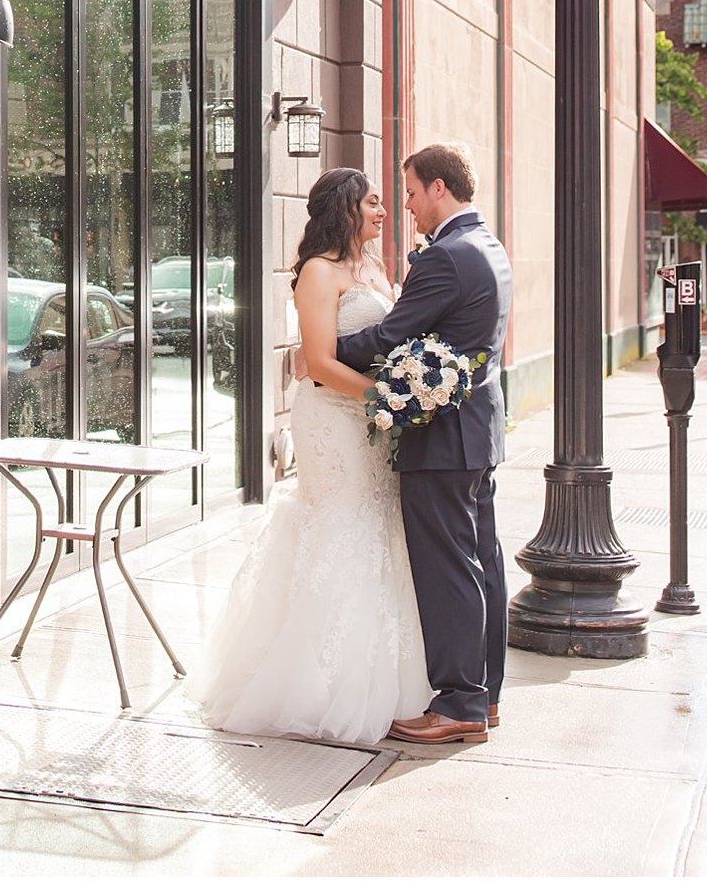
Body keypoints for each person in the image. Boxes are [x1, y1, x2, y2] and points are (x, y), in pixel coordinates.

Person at [191, 168, 433, 745]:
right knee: (341, 524)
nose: (385, 212)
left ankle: (393, 679)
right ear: (347, 209)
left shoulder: (374, 269)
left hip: (371, 420)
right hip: (331, 419)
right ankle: (317, 687)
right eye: (374, 203)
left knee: (379, 523)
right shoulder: (318, 274)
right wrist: (387, 397)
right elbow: (319, 362)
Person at [335, 142, 513, 747]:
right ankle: (483, 696)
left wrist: (325, 354)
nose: (406, 205)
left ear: (440, 188)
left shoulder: (447, 257)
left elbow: (391, 335)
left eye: (410, 191)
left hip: (440, 440)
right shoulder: (490, 248)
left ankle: (458, 701)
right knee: (481, 563)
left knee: (447, 571)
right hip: (478, 435)